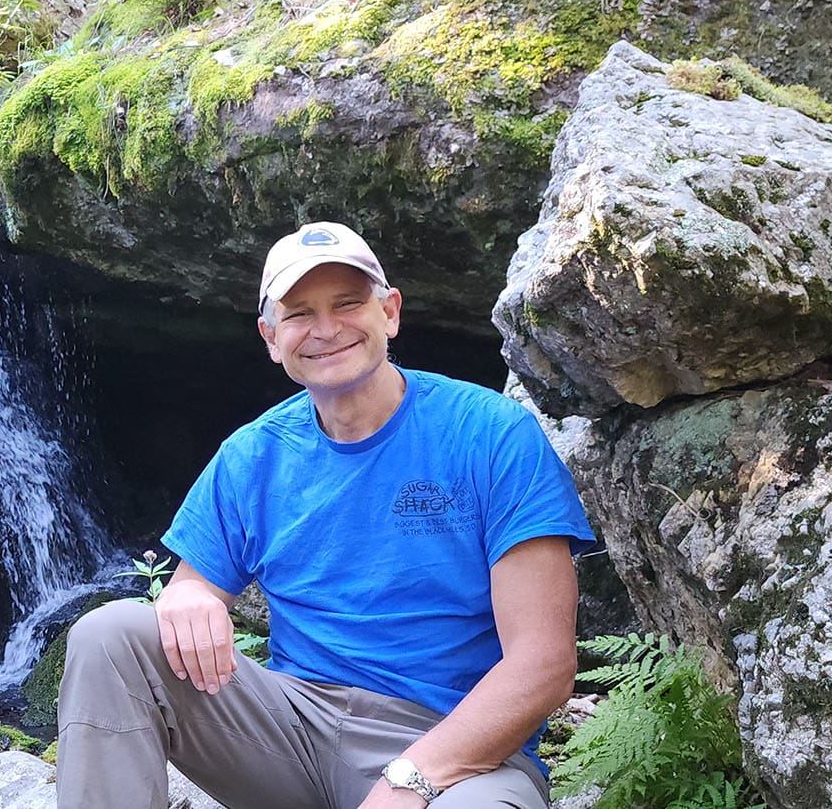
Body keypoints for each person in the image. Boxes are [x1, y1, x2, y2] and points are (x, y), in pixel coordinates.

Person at [56, 222, 595, 809]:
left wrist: (407, 781)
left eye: (348, 303)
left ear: (389, 312)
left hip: (457, 748)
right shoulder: (253, 455)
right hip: (293, 729)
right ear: (270, 336)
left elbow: (544, 663)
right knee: (109, 635)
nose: (326, 329)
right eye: (299, 313)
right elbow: (192, 589)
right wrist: (187, 595)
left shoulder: (491, 434)